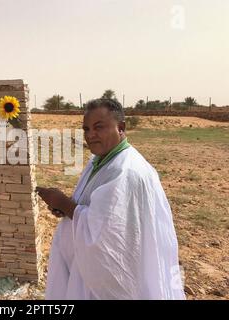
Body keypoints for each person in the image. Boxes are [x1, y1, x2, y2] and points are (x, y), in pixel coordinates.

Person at [36, 98, 185, 300]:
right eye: (86, 129)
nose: (91, 135)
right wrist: (67, 207)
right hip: (86, 271)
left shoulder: (126, 172)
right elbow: (94, 206)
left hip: (107, 279)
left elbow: (108, 234)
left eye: (99, 127)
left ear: (121, 127)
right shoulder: (101, 160)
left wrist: (64, 203)